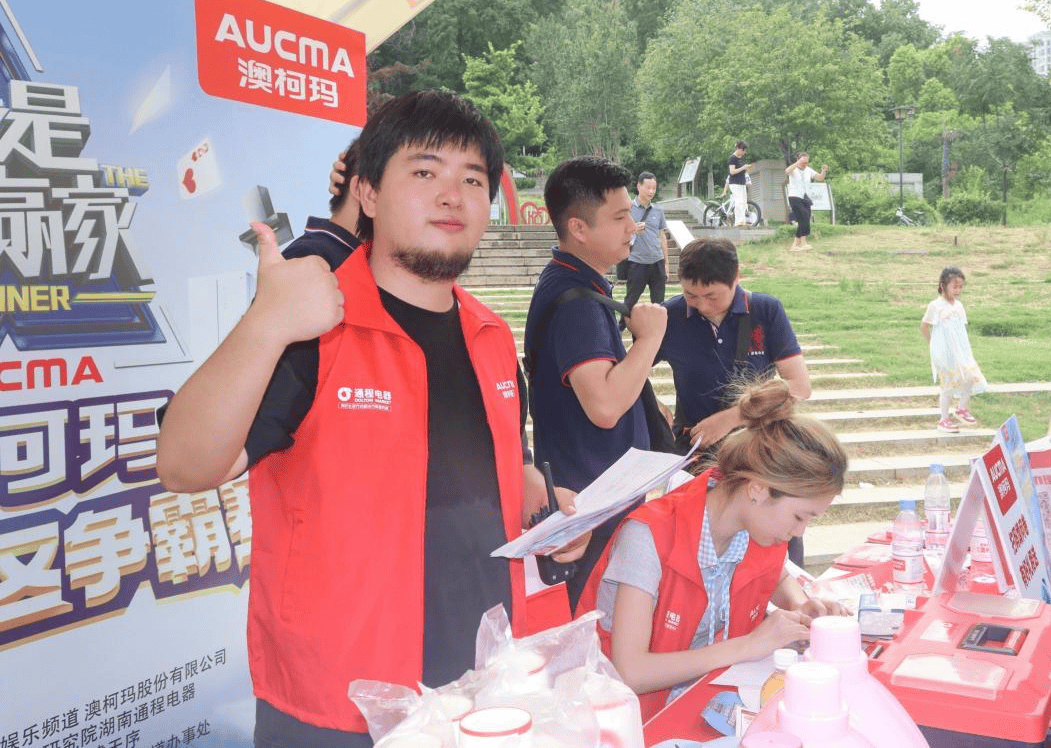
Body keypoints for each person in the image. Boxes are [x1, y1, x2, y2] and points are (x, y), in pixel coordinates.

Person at [156, 90, 585, 748]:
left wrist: (543, 506)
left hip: (481, 683)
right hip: (338, 706)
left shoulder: (491, 336)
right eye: (425, 171)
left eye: (473, 180)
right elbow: (184, 466)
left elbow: (500, 463)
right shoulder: (311, 328)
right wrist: (266, 324)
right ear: (368, 192)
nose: (452, 195)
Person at [576, 377, 850, 721]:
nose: (799, 532)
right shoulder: (647, 537)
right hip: (629, 721)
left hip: (704, 702)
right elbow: (631, 671)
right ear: (758, 489)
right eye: (799, 517)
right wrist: (749, 645)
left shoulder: (751, 523)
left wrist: (800, 605)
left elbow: (776, 576)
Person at [525, 155, 668, 607]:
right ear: (579, 228)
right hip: (592, 505)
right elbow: (604, 407)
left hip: (592, 497)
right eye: (619, 217)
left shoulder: (572, 284)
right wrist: (650, 340)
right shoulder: (578, 304)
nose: (632, 227)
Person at [657, 238, 811, 566]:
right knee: (698, 547)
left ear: (737, 277)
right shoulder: (669, 316)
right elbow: (627, 371)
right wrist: (652, 406)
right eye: (691, 295)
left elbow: (799, 386)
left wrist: (731, 418)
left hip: (761, 452)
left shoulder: (765, 311)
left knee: (772, 549)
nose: (701, 305)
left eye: (712, 296)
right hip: (697, 454)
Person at [921, 265, 987, 433]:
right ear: (943, 286)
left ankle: (961, 409)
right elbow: (924, 325)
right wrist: (933, 345)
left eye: (960, 287)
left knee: (970, 377)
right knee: (948, 385)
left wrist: (966, 350)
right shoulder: (936, 306)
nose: (958, 290)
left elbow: (960, 329)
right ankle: (944, 419)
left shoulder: (959, 306)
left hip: (961, 351)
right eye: (954, 287)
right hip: (945, 353)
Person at [622, 171, 669, 319]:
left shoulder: (658, 211)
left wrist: (666, 263)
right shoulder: (627, 209)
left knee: (659, 304)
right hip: (637, 262)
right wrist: (633, 229)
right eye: (648, 187)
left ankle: (660, 330)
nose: (651, 191)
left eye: (654, 188)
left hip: (657, 262)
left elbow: (662, 236)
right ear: (638, 186)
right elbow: (617, 233)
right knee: (630, 300)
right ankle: (620, 327)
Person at [785, 151, 828, 251]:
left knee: (805, 219)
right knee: (803, 216)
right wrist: (797, 163)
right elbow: (787, 171)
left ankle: (797, 244)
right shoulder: (794, 169)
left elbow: (820, 178)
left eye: (806, 162)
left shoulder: (808, 170)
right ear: (798, 160)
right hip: (795, 196)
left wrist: (824, 171)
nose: (805, 164)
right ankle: (801, 243)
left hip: (805, 197)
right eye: (803, 162)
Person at [727, 141, 752, 228]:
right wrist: (743, 167)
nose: (743, 152)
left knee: (744, 202)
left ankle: (743, 220)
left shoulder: (740, 158)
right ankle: (738, 221)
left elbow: (741, 170)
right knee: (739, 202)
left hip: (742, 183)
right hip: (734, 183)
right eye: (743, 150)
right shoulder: (732, 158)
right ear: (738, 149)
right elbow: (732, 171)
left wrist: (746, 168)